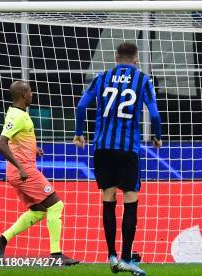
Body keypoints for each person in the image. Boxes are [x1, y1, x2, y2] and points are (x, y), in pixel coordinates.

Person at [74, 42, 162, 275]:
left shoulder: (101, 77)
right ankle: (126, 258)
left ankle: (112, 255)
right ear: (136, 59)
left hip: (102, 147)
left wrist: (78, 132)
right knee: (130, 199)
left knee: (108, 198)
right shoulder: (143, 80)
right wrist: (157, 136)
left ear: (115, 57)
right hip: (127, 149)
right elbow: (154, 114)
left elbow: (81, 105)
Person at [0, 81, 79, 266]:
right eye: (30, 92)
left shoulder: (18, 114)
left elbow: (16, 140)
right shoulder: (17, 116)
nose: (32, 95)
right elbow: (1, 143)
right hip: (23, 171)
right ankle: (56, 255)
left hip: (19, 170)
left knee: (39, 211)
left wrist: (33, 148)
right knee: (56, 205)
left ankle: (3, 238)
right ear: (24, 94)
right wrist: (21, 167)